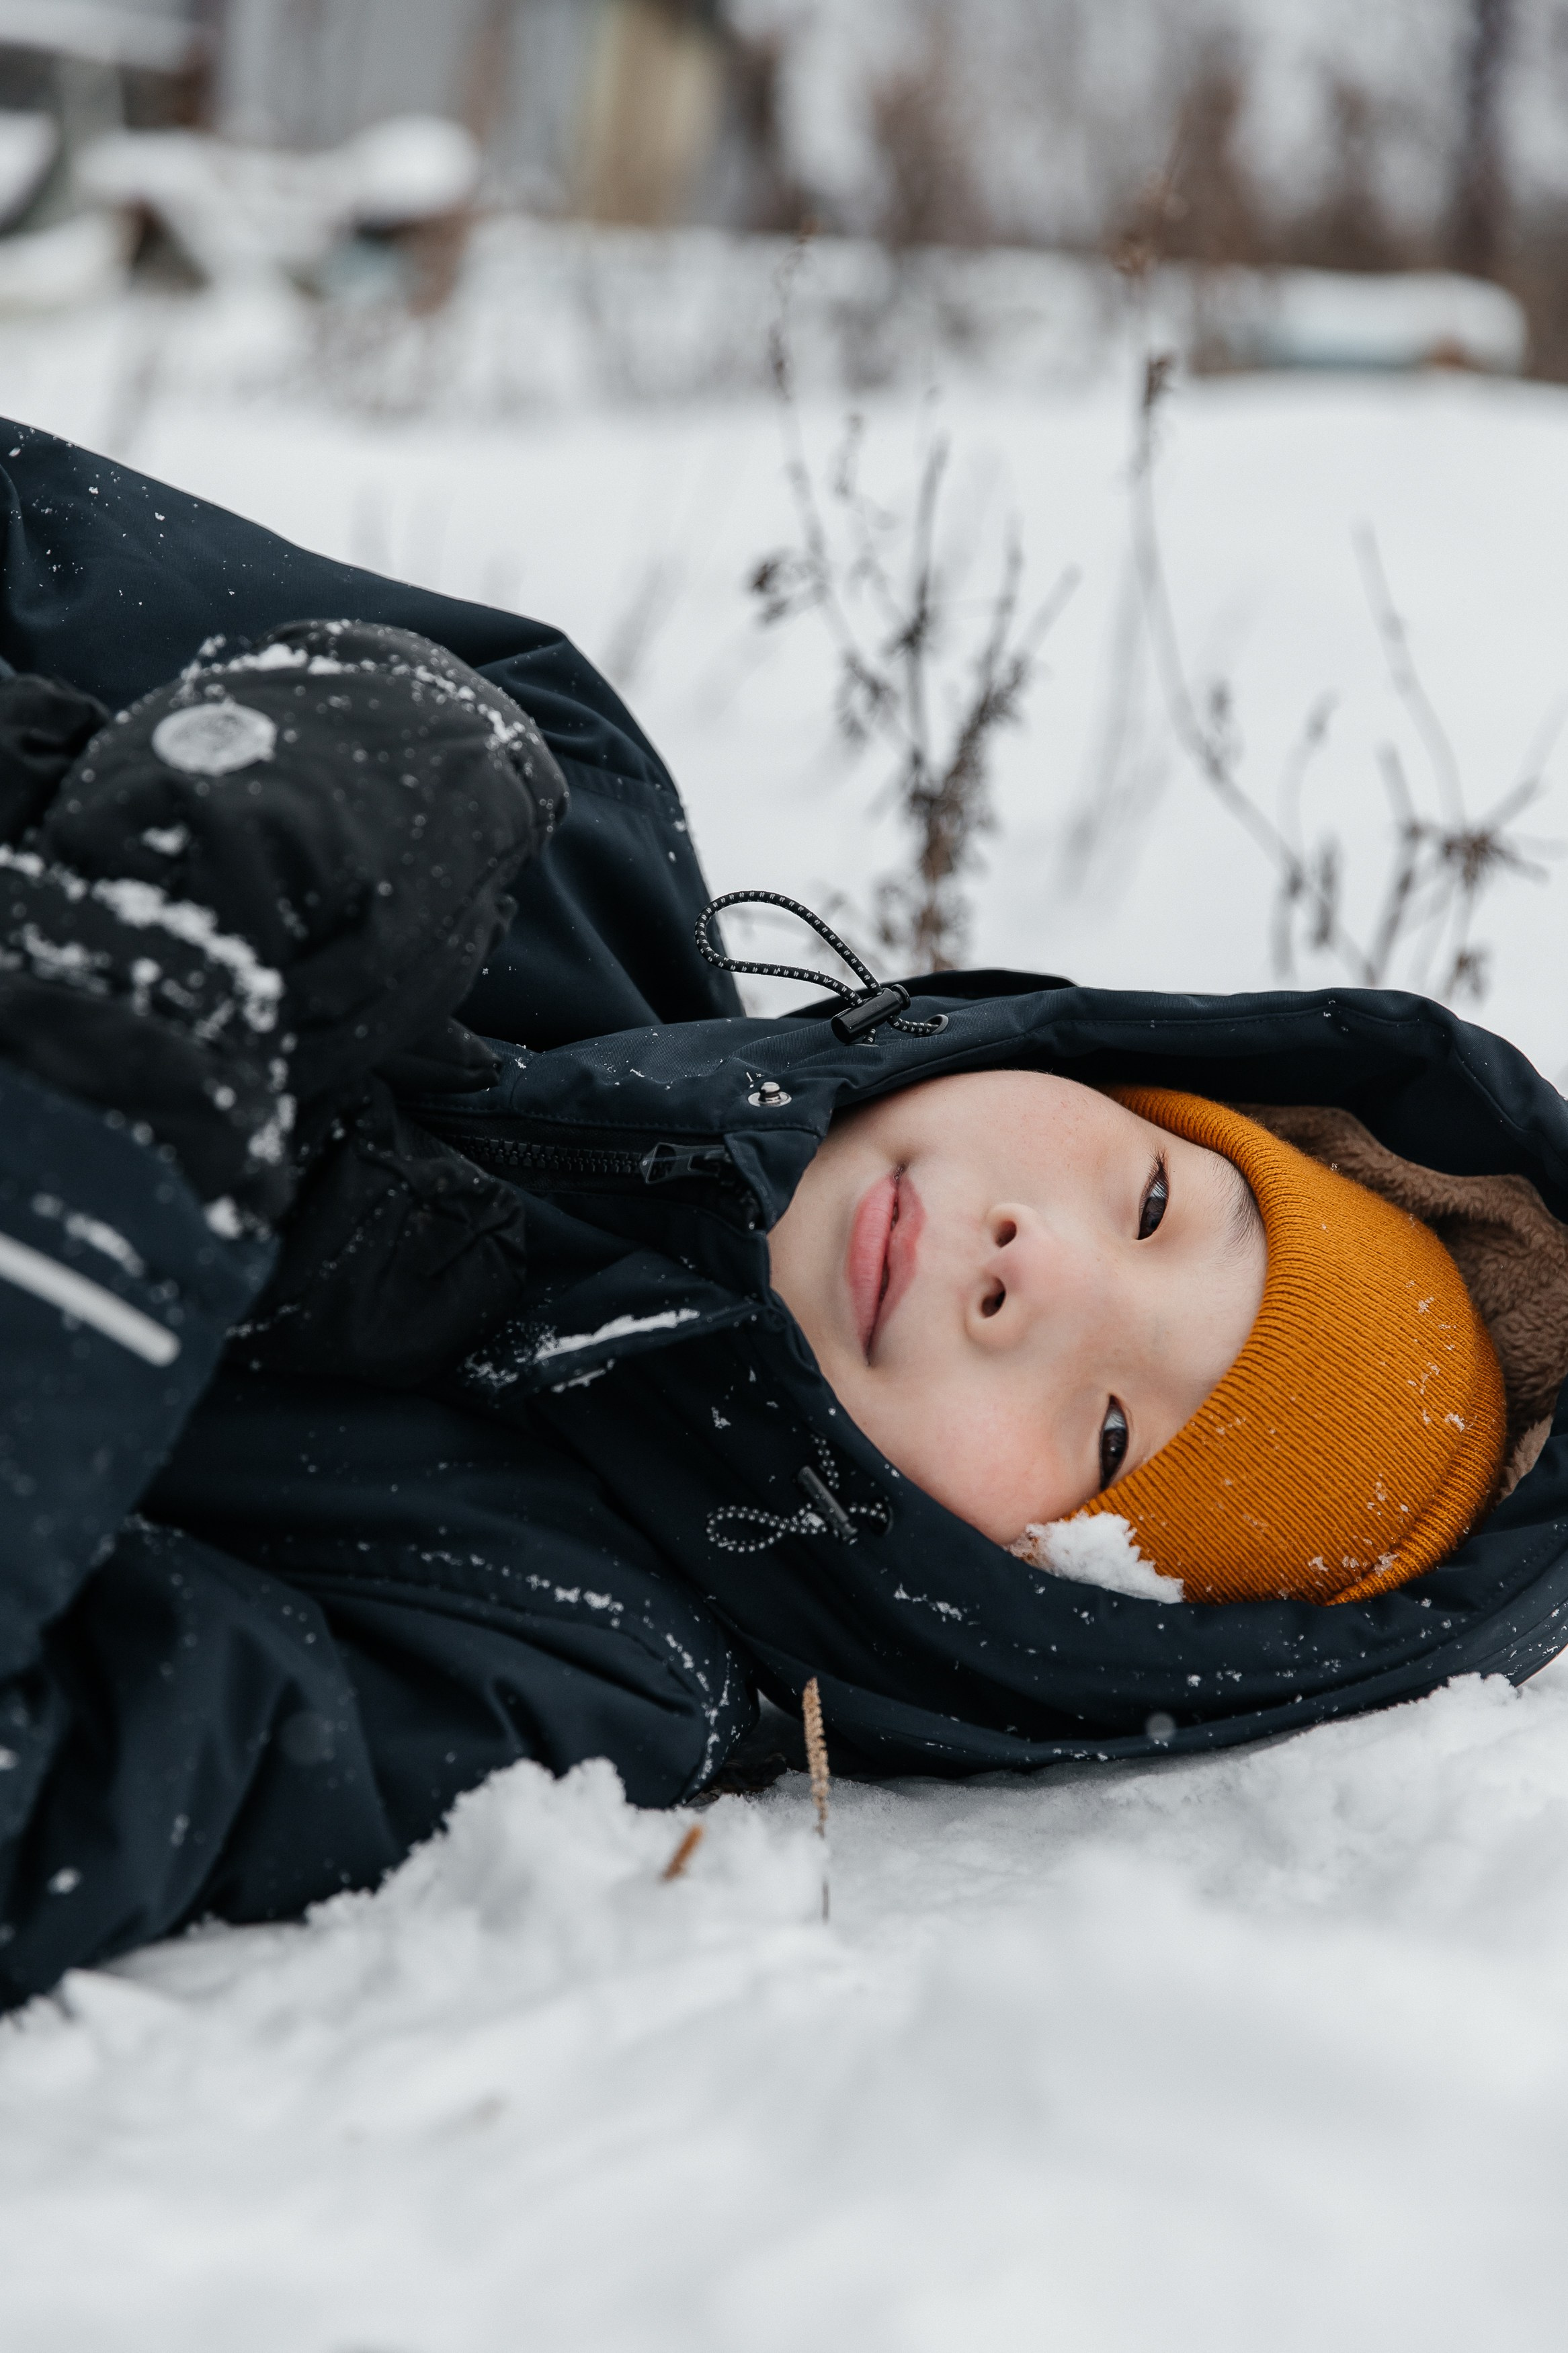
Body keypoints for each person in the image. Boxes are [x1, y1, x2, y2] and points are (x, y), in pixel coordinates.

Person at [0, 417, 1567, 2010]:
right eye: (1156, 1202)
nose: (1042, 1272)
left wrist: (100, 1177)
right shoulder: (561, 812)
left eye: (1110, 1436)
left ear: (1045, 1610)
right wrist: (305, 740)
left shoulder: (558, 1662)